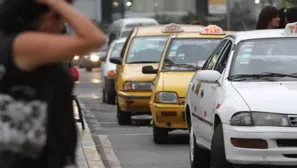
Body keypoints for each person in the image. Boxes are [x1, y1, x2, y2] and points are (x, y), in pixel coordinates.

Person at [0, 0, 106, 167]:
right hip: (23, 159)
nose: (62, 28)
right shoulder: (23, 43)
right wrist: (56, 2)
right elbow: (94, 38)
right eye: (61, 19)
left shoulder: (27, 46)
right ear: (48, 17)